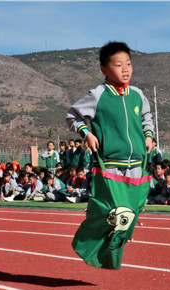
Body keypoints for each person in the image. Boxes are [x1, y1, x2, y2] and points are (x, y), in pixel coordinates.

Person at [66, 41, 154, 269]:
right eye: (118, 65)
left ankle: (108, 252)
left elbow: (147, 118)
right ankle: (87, 244)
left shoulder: (137, 95)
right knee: (115, 213)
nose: (125, 69)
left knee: (129, 215)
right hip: (110, 164)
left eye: (128, 64)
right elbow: (72, 116)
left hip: (137, 163)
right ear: (104, 69)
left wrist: (149, 135)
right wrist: (86, 133)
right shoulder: (98, 95)